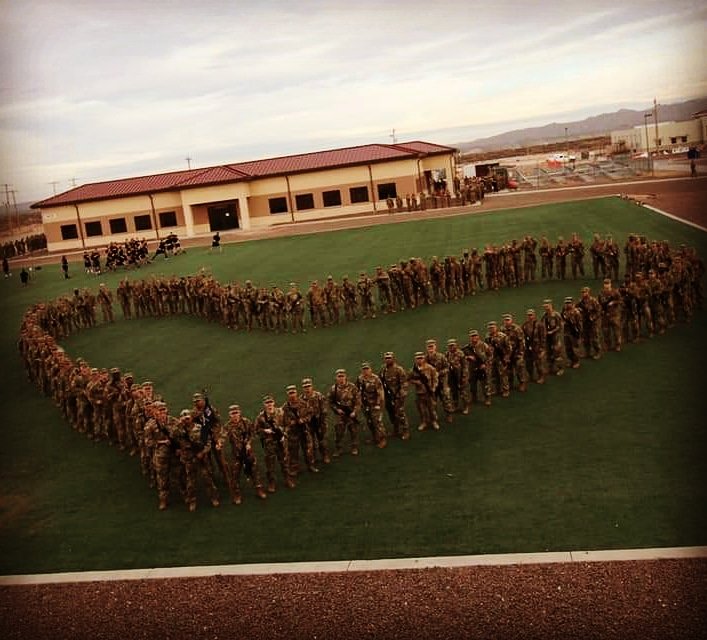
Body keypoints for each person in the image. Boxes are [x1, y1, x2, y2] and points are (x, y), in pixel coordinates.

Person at [221, 404, 267, 504]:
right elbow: (222, 436)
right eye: (233, 413)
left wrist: (249, 443)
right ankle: (237, 494)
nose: (235, 415)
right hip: (236, 455)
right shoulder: (227, 426)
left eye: (236, 413)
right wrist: (219, 443)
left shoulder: (246, 422)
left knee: (254, 471)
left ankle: (259, 489)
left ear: (239, 413)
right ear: (229, 415)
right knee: (235, 474)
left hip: (248, 452)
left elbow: (252, 433)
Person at [254, 394, 292, 492]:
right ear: (264, 404)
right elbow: (256, 430)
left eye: (271, 402)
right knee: (270, 464)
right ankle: (271, 483)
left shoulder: (281, 412)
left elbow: (288, 425)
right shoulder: (261, 417)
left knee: (284, 462)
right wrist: (265, 431)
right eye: (267, 403)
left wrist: (284, 434)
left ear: (274, 403)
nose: (269, 404)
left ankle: (288, 479)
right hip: (269, 444)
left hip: (281, 442)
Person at [281, 384, 317, 478]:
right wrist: (290, 422)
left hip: (304, 430)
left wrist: (304, 420)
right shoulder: (285, 407)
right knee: (293, 451)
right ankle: (295, 468)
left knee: (308, 449)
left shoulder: (303, 403)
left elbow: (310, 413)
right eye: (290, 393)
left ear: (296, 393)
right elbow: (282, 421)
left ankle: (310, 465)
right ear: (288, 394)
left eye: (293, 392)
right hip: (293, 433)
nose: (292, 395)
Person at [328, 369, 361, 457]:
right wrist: (336, 409)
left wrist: (354, 411)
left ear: (346, 377)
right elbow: (330, 402)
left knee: (353, 430)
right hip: (340, 415)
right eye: (339, 376)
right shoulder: (333, 389)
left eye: (342, 376)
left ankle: (354, 447)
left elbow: (358, 401)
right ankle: (338, 449)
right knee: (339, 432)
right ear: (336, 378)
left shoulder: (352, 387)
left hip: (351, 413)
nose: (341, 378)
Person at [379, 352, 410, 440]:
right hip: (387, 396)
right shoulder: (383, 369)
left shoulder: (398, 369)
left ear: (393, 359)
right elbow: (380, 381)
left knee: (400, 413)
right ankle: (396, 430)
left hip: (397, 396)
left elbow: (404, 383)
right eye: (386, 358)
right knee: (391, 413)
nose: (388, 360)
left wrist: (401, 395)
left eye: (389, 358)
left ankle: (405, 430)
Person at [357, 362, 387, 448]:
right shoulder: (360, 378)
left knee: (377, 422)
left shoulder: (375, 379)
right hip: (365, 405)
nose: (365, 371)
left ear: (370, 369)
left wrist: (378, 404)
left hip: (374, 404)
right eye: (364, 369)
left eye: (367, 369)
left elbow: (380, 393)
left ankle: (382, 439)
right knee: (369, 422)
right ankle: (375, 437)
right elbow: (358, 391)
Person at [301, 378, 330, 464]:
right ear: (303, 388)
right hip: (309, 424)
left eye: (309, 386)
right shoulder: (301, 399)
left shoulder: (318, 396)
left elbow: (324, 409)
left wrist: (322, 421)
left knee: (322, 440)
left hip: (319, 422)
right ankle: (314, 457)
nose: (307, 388)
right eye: (305, 387)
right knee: (311, 442)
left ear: (312, 386)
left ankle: (325, 455)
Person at [409, 351, 439, 431]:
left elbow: (435, 379)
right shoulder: (413, 370)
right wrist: (416, 382)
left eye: (421, 358)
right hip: (419, 393)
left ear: (424, 359)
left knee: (432, 408)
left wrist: (433, 388)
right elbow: (409, 379)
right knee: (421, 409)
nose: (419, 360)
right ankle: (424, 422)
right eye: (418, 358)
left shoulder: (430, 368)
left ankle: (434, 421)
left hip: (429, 392)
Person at [542, 299, 564, 376]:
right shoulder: (544, 315)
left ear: (551, 306)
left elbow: (560, 326)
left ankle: (560, 368)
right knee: (549, 352)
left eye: (547, 306)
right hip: (548, 337)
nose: (546, 308)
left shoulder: (556, 315)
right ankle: (550, 368)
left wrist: (552, 331)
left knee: (557, 352)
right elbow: (543, 324)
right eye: (545, 307)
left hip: (555, 336)